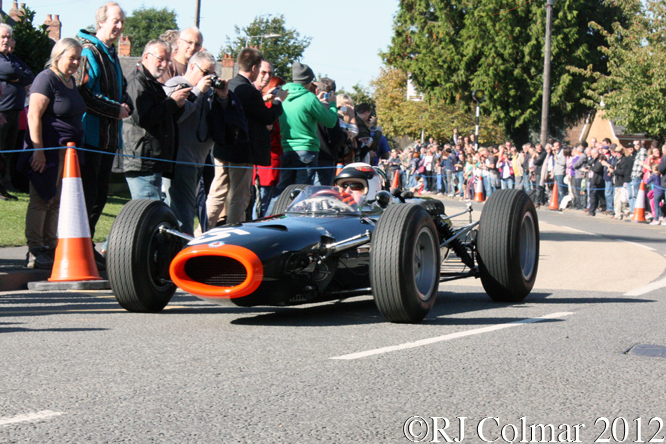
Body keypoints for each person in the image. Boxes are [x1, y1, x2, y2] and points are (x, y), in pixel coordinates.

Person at [18, 38, 86, 268]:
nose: (76, 62)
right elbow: (33, 116)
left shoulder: (70, 81)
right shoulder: (46, 78)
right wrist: (38, 151)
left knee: (56, 200)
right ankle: (35, 249)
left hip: (67, 152)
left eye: (79, 58)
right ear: (58, 56)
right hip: (46, 148)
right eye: (72, 57)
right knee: (41, 198)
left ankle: (50, 245)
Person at [76, 1, 133, 244]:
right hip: (91, 137)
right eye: (115, 21)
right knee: (88, 196)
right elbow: (84, 93)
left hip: (109, 138)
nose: (120, 26)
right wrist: (115, 108)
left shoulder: (111, 53)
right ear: (101, 23)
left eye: (122, 21)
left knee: (100, 195)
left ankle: (87, 246)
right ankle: (79, 246)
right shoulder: (89, 51)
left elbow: (120, 88)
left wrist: (127, 102)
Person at [206, 48, 284, 226]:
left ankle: (202, 230)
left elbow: (246, 111)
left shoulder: (230, 84)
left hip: (221, 148)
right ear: (255, 67)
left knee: (217, 193)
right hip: (241, 150)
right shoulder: (249, 91)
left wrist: (263, 99)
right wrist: (278, 101)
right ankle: (234, 234)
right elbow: (268, 117)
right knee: (239, 197)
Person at [162, 51, 229, 235]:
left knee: (197, 212)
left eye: (212, 74)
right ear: (192, 67)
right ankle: (181, 251)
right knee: (183, 212)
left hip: (201, 161)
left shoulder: (207, 93)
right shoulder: (175, 84)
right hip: (181, 160)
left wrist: (222, 97)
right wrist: (198, 90)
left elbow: (219, 121)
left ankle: (189, 247)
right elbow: (177, 116)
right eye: (206, 72)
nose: (210, 78)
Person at [122, 39, 191, 200]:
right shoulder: (137, 82)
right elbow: (144, 118)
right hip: (142, 161)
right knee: (148, 213)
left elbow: (164, 117)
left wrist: (178, 104)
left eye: (168, 60)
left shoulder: (151, 83)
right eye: (160, 59)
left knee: (149, 214)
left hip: (152, 160)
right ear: (146, 57)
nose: (164, 64)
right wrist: (172, 102)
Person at [273, 61, 337, 196]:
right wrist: (332, 104)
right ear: (309, 80)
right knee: (302, 192)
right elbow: (330, 122)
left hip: (287, 148)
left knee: (283, 191)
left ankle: (273, 215)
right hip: (307, 150)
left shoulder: (282, 95)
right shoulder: (309, 98)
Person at [0, 23, 33, 198]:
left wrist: (15, 77)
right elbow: (12, 71)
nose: (6, 40)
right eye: (2, 37)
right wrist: (18, 76)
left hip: (15, 111)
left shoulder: (12, 59)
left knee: (9, 152)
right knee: (1, 150)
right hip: (1, 113)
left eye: (8, 37)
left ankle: (6, 184)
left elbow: (29, 74)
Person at [315, 77, 345, 186]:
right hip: (326, 156)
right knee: (322, 192)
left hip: (310, 155)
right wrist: (345, 135)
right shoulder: (330, 112)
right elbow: (335, 137)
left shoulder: (311, 108)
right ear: (333, 94)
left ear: (317, 91)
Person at [585, 148, 605, 217]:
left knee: (594, 196)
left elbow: (597, 169)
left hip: (597, 180)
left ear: (597, 154)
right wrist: (588, 166)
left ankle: (592, 211)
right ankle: (592, 210)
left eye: (593, 155)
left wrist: (591, 168)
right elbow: (588, 163)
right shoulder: (594, 160)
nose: (592, 156)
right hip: (592, 179)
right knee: (593, 196)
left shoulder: (600, 159)